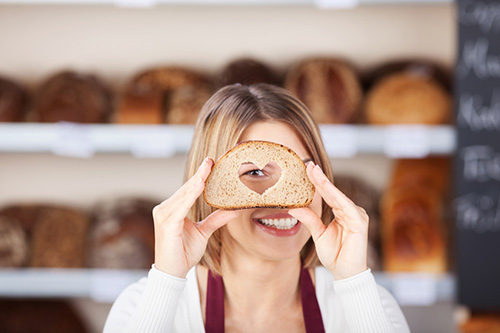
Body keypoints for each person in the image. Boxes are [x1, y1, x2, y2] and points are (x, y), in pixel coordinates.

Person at [103, 83, 410, 332]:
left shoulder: (369, 307)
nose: (283, 200)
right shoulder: (143, 307)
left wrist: (354, 280)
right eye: (254, 173)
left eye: (301, 172)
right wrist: (168, 279)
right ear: (209, 185)